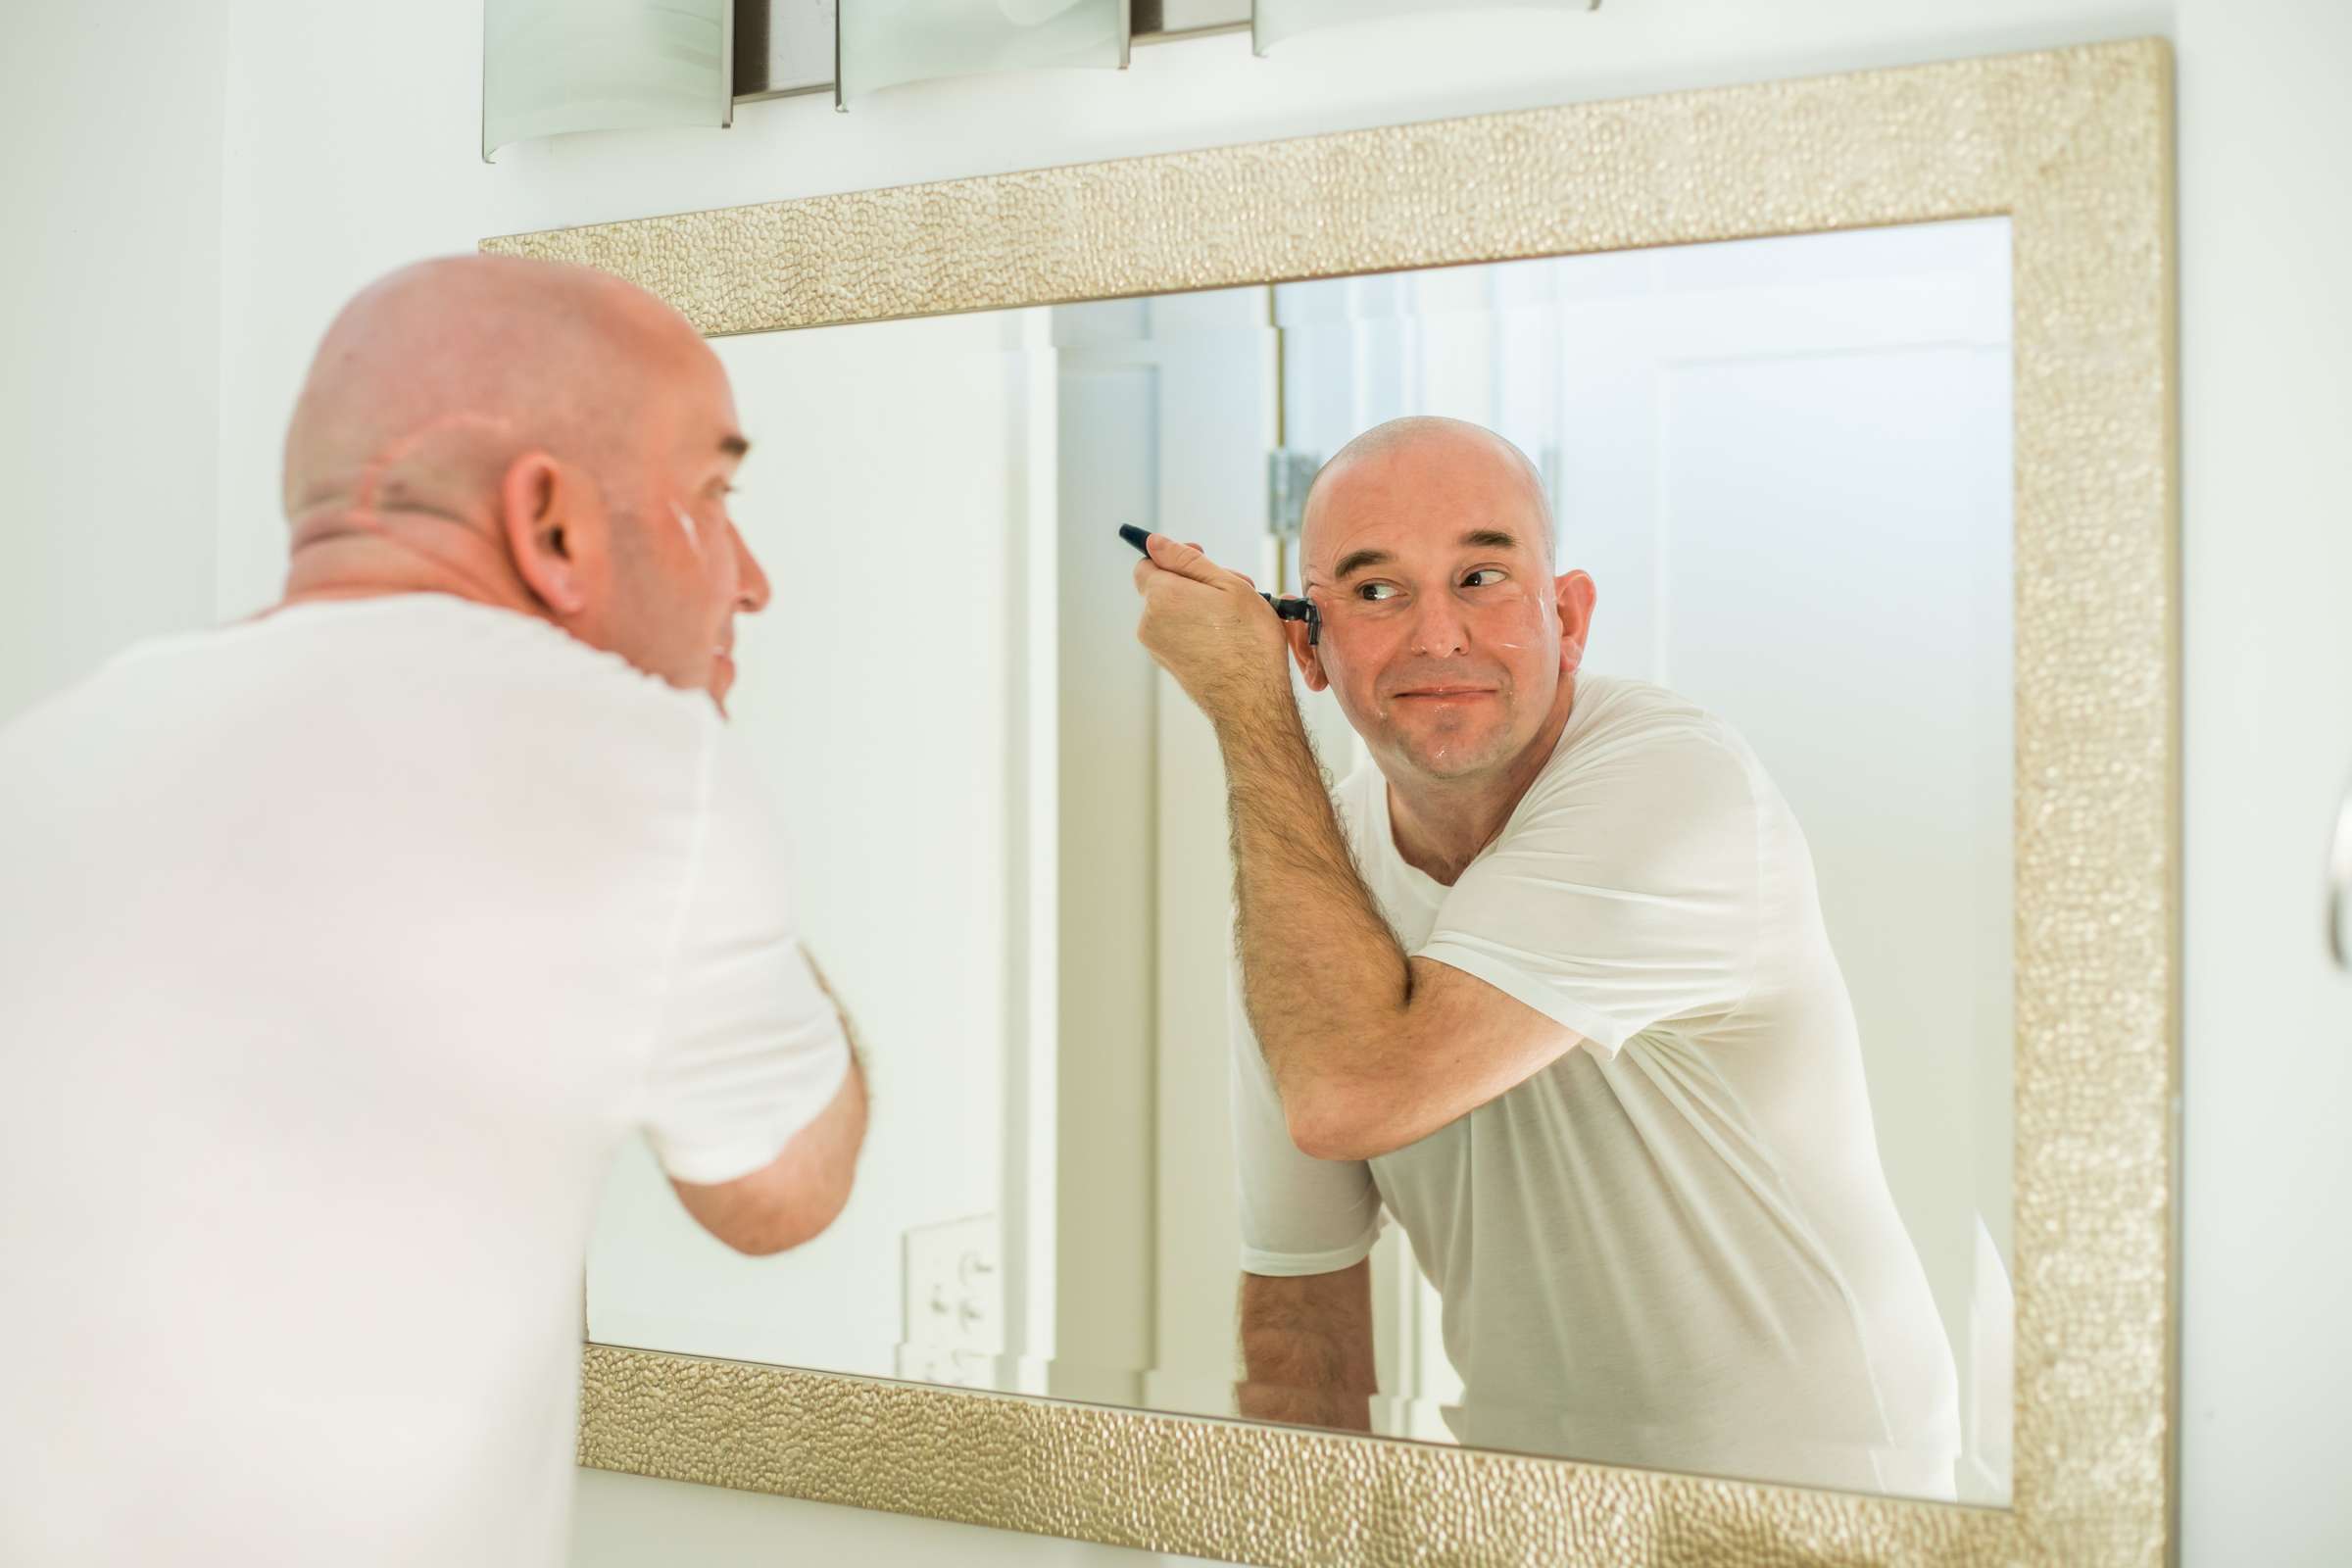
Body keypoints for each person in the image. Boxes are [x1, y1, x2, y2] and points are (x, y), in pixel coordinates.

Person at [0, 255, 867, 1565]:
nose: (748, 579)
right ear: (550, 523)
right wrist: (676, 779)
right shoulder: (650, 767)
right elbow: (782, 1194)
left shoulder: (48, 751)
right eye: (713, 496)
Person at [1129, 416, 1960, 1496]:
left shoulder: (1675, 781)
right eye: (1376, 593)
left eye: (1480, 576)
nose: (1437, 636)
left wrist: (1245, 705)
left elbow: (1353, 1094)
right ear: (1309, 645)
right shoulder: (1312, 892)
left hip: (1827, 1505)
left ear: (1567, 619)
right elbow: (1303, 1296)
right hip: (1537, 1504)